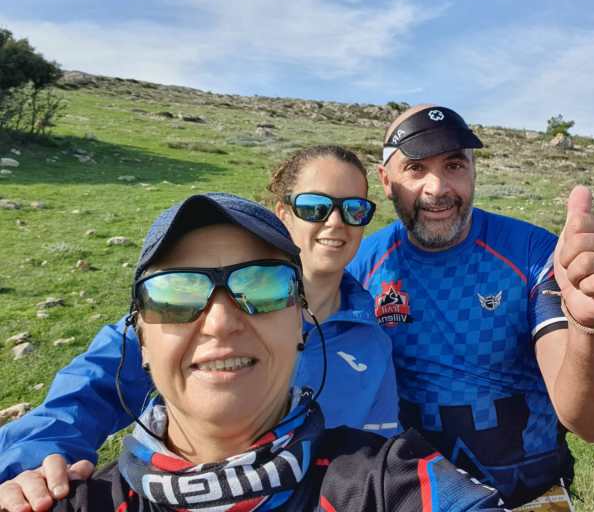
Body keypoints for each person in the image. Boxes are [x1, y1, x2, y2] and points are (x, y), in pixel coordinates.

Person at [42, 192, 512, 511]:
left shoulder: (387, 485)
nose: (221, 322)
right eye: (178, 291)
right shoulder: (73, 501)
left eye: (263, 285)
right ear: (140, 339)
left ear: (302, 324)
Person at [0, 146, 398, 510]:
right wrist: (33, 465)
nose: (336, 222)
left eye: (354, 210)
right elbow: (87, 390)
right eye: (314, 207)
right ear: (283, 213)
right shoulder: (174, 316)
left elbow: (384, 456)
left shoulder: (372, 339)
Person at [345, 104, 594, 505]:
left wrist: (593, 325)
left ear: (473, 170)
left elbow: (589, 422)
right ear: (386, 180)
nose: (437, 188)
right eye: (415, 168)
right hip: (416, 499)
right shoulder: (361, 267)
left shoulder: (532, 253)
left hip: (531, 496)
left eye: (454, 165)